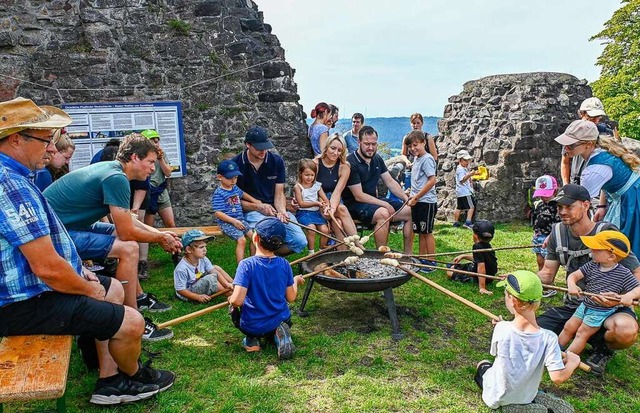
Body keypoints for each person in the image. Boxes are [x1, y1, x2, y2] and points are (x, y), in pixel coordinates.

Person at [0, 97, 175, 405]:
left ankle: (108, 380)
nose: (52, 149)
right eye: (46, 141)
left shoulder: (16, 178)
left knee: (113, 291)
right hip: (24, 303)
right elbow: (48, 269)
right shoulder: (10, 185)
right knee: (130, 320)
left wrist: (82, 273)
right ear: (16, 140)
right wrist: (85, 287)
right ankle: (133, 376)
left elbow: (50, 249)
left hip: (33, 291)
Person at [44, 133, 182, 341]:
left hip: (64, 228)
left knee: (127, 242)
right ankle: (134, 319)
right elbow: (127, 231)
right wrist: (161, 239)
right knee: (129, 247)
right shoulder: (116, 178)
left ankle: (136, 302)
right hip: (53, 237)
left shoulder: (113, 171)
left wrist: (159, 233)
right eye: (150, 162)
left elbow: (127, 221)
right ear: (135, 157)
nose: (153, 168)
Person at [537, 184, 640, 375]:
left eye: (569, 206)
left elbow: (637, 273)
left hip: (611, 308)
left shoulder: (607, 234)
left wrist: (620, 297)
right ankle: (562, 348)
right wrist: (521, 279)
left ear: (585, 205)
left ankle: (603, 350)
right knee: (532, 330)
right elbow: (547, 275)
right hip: (576, 305)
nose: (563, 211)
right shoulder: (557, 233)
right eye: (560, 207)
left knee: (625, 331)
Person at [475, 270, 580, 412]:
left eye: (506, 294)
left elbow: (499, 352)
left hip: (497, 396)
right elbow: (558, 377)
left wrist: (501, 325)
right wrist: (572, 362)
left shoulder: (502, 328)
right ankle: (534, 396)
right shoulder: (549, 338)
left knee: (484, 365)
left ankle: (513, 405)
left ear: (512, 300)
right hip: (526, 393)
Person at [555, 119, 640, 259]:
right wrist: (601, 206)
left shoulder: (594, 170)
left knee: (626, 245)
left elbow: (579, 205)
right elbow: (605, 183)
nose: (566, 149)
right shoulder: (601, 151)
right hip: (628, 195)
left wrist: (560, 234)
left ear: (588, 144)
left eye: (571, 145)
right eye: (565, 144)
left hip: (632, 201)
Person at [228, 218, 305, 359]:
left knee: (232, 308)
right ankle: (278, 332)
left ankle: (252, 340)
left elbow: (237, 301)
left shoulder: (246, 265)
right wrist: (295, 280)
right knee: (278, 316)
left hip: (253, 324)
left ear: (255, 237)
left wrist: (231, 298)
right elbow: (291, 297)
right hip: (281, 319)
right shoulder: (285, 264)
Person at [558, 231, 640, 355]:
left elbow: (638, 288)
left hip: (599, 312)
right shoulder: (592, 266)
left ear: (612, 256)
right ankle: (554, 350)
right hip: (584, 305)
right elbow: (574, 275)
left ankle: (567, 358)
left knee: (581, 333)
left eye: (597, 249)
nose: (592, 250)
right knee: (569, 327)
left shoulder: (623, 274)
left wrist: (629, 295)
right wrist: (571, 284)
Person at [233, 126, 307, 256]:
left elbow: (279, 194)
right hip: (250, 212)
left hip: (274, 209)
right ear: (248, 145)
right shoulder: (236, 165)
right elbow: (234, 202)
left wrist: (282, 211)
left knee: (300, 241)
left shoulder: (276, 161)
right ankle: (256, 266)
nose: (263, 151)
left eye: (266, 147)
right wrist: (258, 206)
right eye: (259, 148)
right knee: (263, 235)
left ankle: (268, 258)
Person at [342, 126, 413, 253]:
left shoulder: (377, 159)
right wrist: (384, 203)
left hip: (373, 201)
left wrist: (406, 198)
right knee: (383, 213)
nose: (370, 148)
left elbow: (390, 182)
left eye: (374, 144)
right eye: (367, 144)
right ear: (359, 143)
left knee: (410, 211)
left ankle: (408, 255)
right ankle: (381, 256)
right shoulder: (351, 162)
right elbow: (358, 195)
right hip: (354, 205)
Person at [314, 133, 360, 248]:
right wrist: (326, 205)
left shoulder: (344, 167)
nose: (335, 153)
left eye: (339, 150)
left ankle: (343, 253)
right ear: (327, 147)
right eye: (333, 148)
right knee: (342, 209)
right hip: (317, 201)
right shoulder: (315, 163)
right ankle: (358, 245)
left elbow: (337, 192)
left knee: (338, 219)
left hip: (335, 201)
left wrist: (333, 208)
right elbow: (314, 189)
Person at [140, 129, 180, 264]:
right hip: (148, 193)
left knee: (170, 223)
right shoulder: (141, 157)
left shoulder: (161, 154)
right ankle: (145, 258)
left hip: (161, 192)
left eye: (157, 141)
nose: (157, 143)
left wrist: (161, 158)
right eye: (153, 141)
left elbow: (168, 172)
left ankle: (177, 252)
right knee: (148, 226)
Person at [212, 159, 259, 263]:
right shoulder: (219, 194)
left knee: (255, 238)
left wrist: (254, 200)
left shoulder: (234, 188)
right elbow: (218, 213)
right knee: (242, 240)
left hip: (240, 220)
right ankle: (241, 268)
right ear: (220, 177)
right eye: (230, 178)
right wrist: (233, 221)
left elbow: (242, 194)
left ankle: (254, 262)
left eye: (235, 177)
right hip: (227, 222)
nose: (233, 180)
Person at [560, 97, 614, 186]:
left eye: (598, 117)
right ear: (582, 113)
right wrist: (566, 185)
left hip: (597, 183)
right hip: (576, 181)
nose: (596, 120)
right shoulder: (573, 131)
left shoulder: (606, 134)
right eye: (592, 117)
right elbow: (565, 161)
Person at [405, 131, 437, 271]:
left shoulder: (427, 159)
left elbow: (432, 180)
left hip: (426, 202)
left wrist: (417, 196)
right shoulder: (416, 159)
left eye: (415, 145)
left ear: (423, 143)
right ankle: (422, 259)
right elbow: (419, 180)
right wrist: (411, 192)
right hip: (417, 201)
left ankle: (431, 261)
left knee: (427, 232)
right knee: (420, 231)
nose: (413, 149)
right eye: (410, 146)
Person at [174, 229, 234, 302]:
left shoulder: (203, 259)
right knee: (211, 279)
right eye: (201, 247)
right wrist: (197, 297)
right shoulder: (181, 269)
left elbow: (214, 271)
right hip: (189, 293)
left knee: (215, 267)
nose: (205, 250)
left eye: (205, 246)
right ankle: (232, 295)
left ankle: (236, 285)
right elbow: (181, 290)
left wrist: (226, 284)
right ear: (189, 249)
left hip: (198, 280)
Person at [446, 220, 497, 295]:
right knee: (452, 265)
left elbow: (481, 267)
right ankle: (454, 267)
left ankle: (473, 280)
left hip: (478, 277)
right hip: (489, 277)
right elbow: (479, 259)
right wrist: (464, 256)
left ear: (475, 236)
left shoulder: (477, 246)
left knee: (449, 272)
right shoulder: (487, 246)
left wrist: (482, 287)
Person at [530, 175, 561, 299]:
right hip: (538, 236)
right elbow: (536, 218)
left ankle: (549, 285)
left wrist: (551, 236)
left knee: (548, 261)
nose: (543, 196)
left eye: (546, 194)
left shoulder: (557, 206)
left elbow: (558, 223)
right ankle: (541, 282)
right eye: (541, 194)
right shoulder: (539, 204)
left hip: (549, 237)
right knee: (539, 259)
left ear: (554, 190)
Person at [294, 159, 330, 255]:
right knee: (311, 228)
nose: (309, 178)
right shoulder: (298, 187)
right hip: (303, 213)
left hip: (316, 213)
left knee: (325, 230)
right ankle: (311, 252)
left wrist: (325, 205)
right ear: (301, 173)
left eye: (312, 175)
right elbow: (301, 203)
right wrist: (317, 203)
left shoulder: (317, 186)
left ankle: (321, 250)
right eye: (307, 175)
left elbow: (325, 199)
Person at [453, 149, 477, 229]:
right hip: (465, 192)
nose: (467, 162)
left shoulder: (462, 168)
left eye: (468, 160)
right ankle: (468, 222)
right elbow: (462, 180)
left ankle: (456, 222)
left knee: (459, 207)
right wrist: (470, 174)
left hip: (460, 192)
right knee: (471, 207)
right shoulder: (460, 169)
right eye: (465, 160)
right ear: (460, 160)